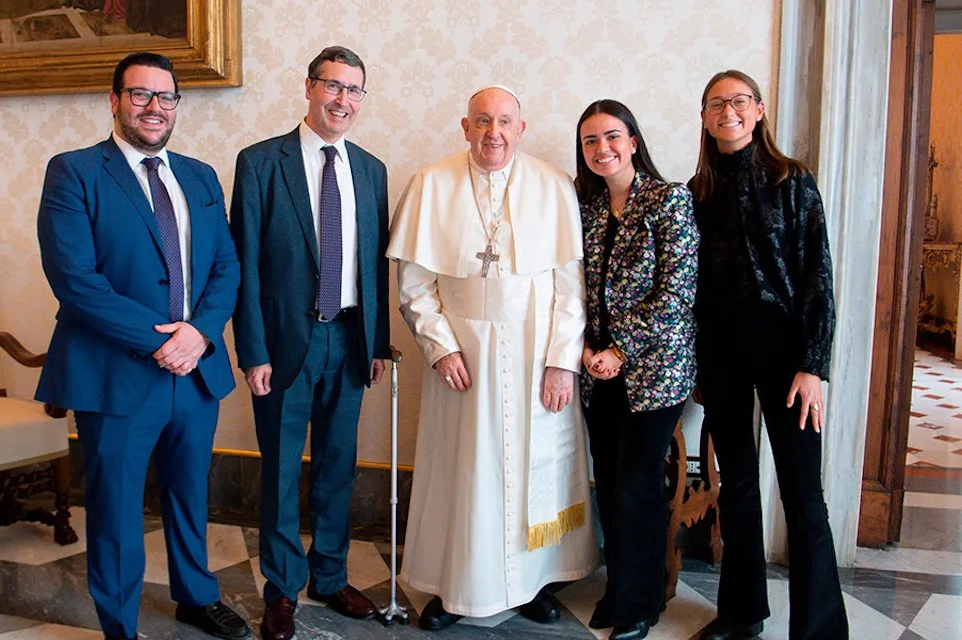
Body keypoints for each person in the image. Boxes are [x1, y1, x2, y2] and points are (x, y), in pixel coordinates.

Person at [35, 52, 249, 640]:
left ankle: (196, 597)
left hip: (195, 369)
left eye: (166, 97)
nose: (155, 107)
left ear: (177, 105)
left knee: (189, 493)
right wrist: (162, 342)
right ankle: (120, 625)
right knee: (116, 508)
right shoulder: (74, 171)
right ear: (114, 101)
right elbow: (75, 279)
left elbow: (226, 267)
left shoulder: (200, 176)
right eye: (140, 95)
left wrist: (199, 334)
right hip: (115, 373)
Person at [388, 85, 599, 630]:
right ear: (465, 127)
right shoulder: (432, 183)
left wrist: (562, 361)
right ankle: (453, 585)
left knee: (537, 470)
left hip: (536, 357)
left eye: (505, 121)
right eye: (482, 121)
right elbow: (414, 286)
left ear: (521, 129)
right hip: (464, 360)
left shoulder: (553, 186)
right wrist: (441, 349)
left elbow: (571, 288)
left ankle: (534, 583)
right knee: (463, 472)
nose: (494, 133)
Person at [229, 46, 391, 640]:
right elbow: (243, 264)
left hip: (349, 340)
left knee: (337, 467)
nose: (342, 100)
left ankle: (329, 576)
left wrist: (377, 342)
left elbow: (375, 265)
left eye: (354, 89)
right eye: (332, 86)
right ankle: (281, 589)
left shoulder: (371, 169)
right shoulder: (260, 163)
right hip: (283, 346)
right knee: (279, 470)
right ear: (308, 87)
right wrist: (253, 350)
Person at [690, 69, 849, 640]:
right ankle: (741, 613)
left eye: (738, 101)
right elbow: (693, 289)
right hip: (722, 353)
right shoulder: (696, 192)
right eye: (716, 104)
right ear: (704, 118)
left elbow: (818, 277)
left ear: (758, 110)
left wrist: (814, 366)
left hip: (786, 353)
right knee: (736, 486)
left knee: (803, 494)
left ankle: (819, 630)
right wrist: (697, 366)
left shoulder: (792, 179)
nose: (727, 111)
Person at [575, 100, 698, 640]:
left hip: (655, 370)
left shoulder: (668, 200)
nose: (602, 148)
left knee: (638, 484)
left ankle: (641, 601)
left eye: (612, 136)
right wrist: (584, 347)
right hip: (597, 370)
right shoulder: (587, 209)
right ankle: (618, 588)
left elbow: (677, 292)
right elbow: (573, 287)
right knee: (608, 480)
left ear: (632, 141)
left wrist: (621, 350)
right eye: (590, 141)